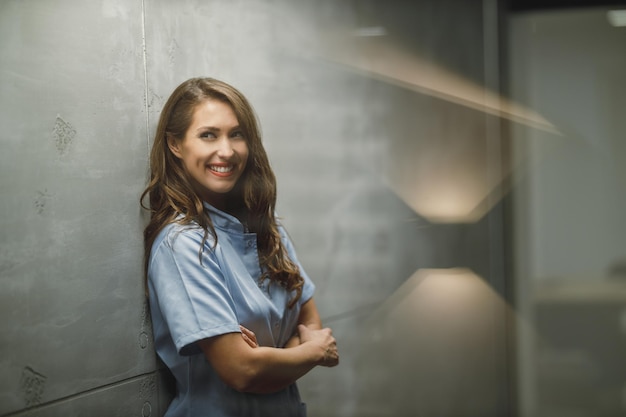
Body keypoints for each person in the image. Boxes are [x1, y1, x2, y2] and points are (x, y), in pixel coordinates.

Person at [140, 77, 338, 417]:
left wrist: (269, 359)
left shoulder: (268, 231)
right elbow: (242, 371)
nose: (227, 151)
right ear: (175, 144)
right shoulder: (183, 243)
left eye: (237, 134)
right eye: (208, 135)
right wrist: (312, 352)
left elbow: (311, 318)